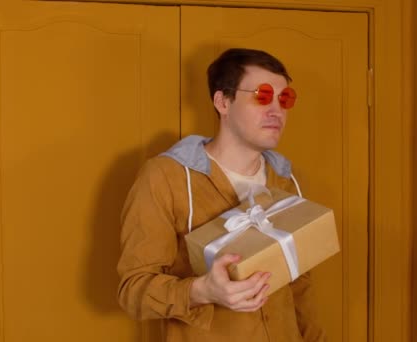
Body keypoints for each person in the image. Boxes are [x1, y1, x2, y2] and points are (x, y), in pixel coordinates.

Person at [117, 48, 325, 341]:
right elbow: (133, 290)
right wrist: (202, 290)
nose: (277, 110)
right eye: (263, 96)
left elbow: (300, 284)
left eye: (285, 99)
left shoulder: (287, 181)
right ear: (223, 102)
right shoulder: (165, 177)